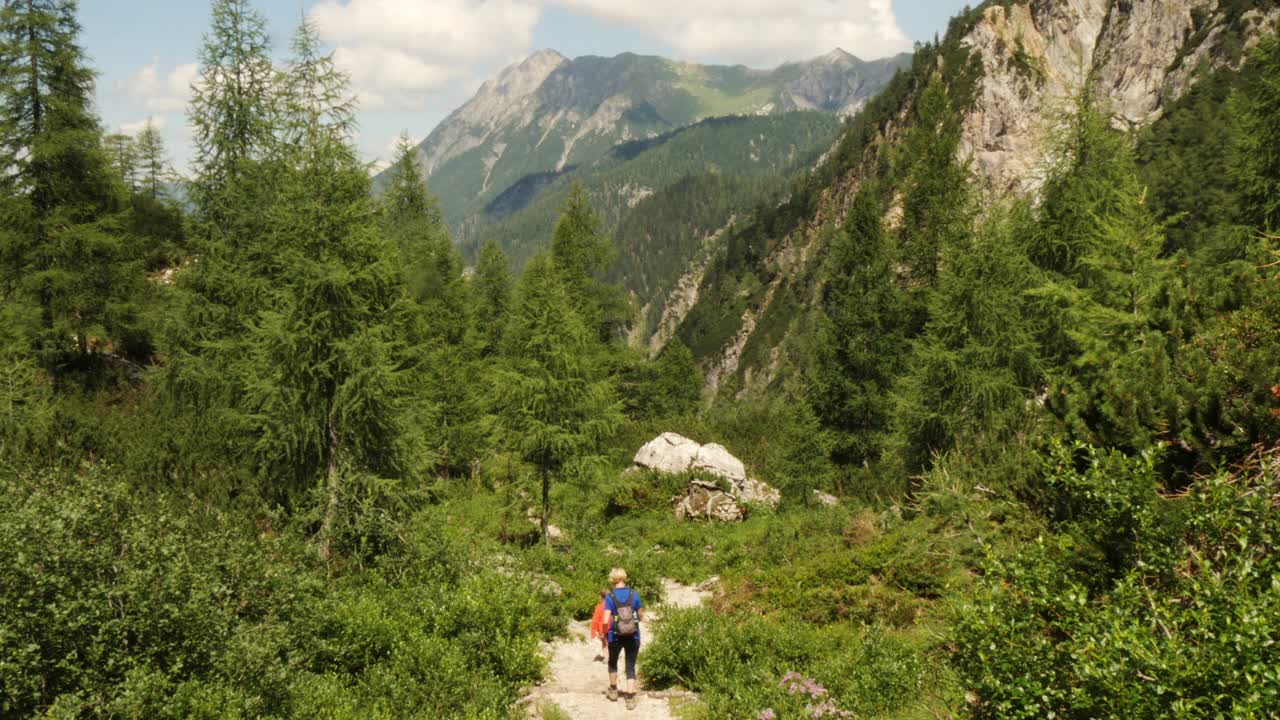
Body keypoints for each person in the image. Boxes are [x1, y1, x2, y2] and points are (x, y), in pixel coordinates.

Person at [604, 567, 643, 710]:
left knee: (613, 661)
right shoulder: (634, 594)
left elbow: (604, 619)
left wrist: (604, 634)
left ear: (612, 579)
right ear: (624, 578)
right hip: (633, 635)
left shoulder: (610, 597)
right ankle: (630, 698)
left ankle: (613, 691)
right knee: (630, 665)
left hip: (615, 635)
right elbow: (640, 615)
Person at [589, 589, 609, 662]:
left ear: (601, 597)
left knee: (604, 643)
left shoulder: (599, 607)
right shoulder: (612, 606)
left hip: (602, 629)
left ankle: (606, 657)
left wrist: (594, 630)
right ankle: (611, 657)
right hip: (611, 627)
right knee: (611, 643)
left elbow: (595, 620)